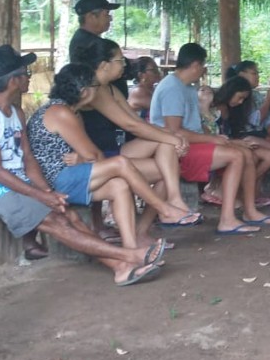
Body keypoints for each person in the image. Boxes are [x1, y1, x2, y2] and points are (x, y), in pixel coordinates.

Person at [0, 45, 165, 286]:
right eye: (26, 73)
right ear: (14, 80)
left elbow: (28, 158)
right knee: (56, 222)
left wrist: (48, 193)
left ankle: (121, 268)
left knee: (68, 214)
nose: (29, 77)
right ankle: (129, 256)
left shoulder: (15, 111)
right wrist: (39, 194)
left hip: (20, 182)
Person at [26, 63, 201, 250]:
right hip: (58, 180)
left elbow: (90, 156)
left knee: (119, 186)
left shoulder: (68, 111)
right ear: (84, 91)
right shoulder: (61, 112)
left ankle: (132, 250)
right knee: (120, 163)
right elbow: (94, 155)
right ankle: (165, 209)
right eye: (95, 87)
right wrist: (86, 158)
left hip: (73, 175)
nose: (98, 91)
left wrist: (85, 158)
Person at [149, 43, 270, 235]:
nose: (203, 69)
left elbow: (193, 128)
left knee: (246, 153)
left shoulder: (187, 87)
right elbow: (174, 132)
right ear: (194, 64)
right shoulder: (172, 88)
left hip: (192, 143)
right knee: (236, 156)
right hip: (176, 149)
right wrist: (213, 139)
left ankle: (249, 211)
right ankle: (227, 219)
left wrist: (221, 139)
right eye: (203, 65)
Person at [79, 38, 194, 222]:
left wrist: (173, 136)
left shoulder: (110, 89)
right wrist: (173, 139)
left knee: (167, 152)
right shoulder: (94, 89)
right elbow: (130, 126)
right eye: (120, 60)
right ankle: (157, 218)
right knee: (168, 169)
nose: (124, 65)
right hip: (95, 157)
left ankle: (174, 201)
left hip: (112, 150)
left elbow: (137, 121)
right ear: (104, 65)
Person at [212, 75, 270, 181]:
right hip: (226, 143)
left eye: (243, 99)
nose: (241, 102)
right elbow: (213, 136)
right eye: (240, 97)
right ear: (230, 91)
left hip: (237, 140)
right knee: (264, 154)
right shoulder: (215, 108)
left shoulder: (236, 108)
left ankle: (245, 184)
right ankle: (239, 185)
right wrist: (237, 142)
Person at [68, 0, 121, 64]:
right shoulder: (91, 44)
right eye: (107, 14)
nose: (110, 18)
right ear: (91, 17)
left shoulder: (81, 38)